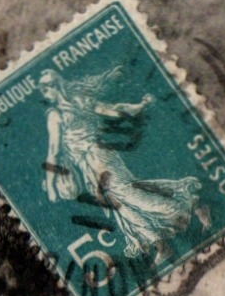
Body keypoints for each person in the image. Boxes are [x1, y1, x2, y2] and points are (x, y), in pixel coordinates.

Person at [39, 67, 202, 264]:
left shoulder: (55, 115)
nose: (44, 92)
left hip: (96, 160)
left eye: (45, 87)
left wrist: (50, 186)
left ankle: (180, 207)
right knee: (119, 204)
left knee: (128, 195)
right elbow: (113, 110)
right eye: (42, 88)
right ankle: (159, 243)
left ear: (55, 86)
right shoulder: (80, 101)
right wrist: (138, 106)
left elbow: (54, 151)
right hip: (95, 161)